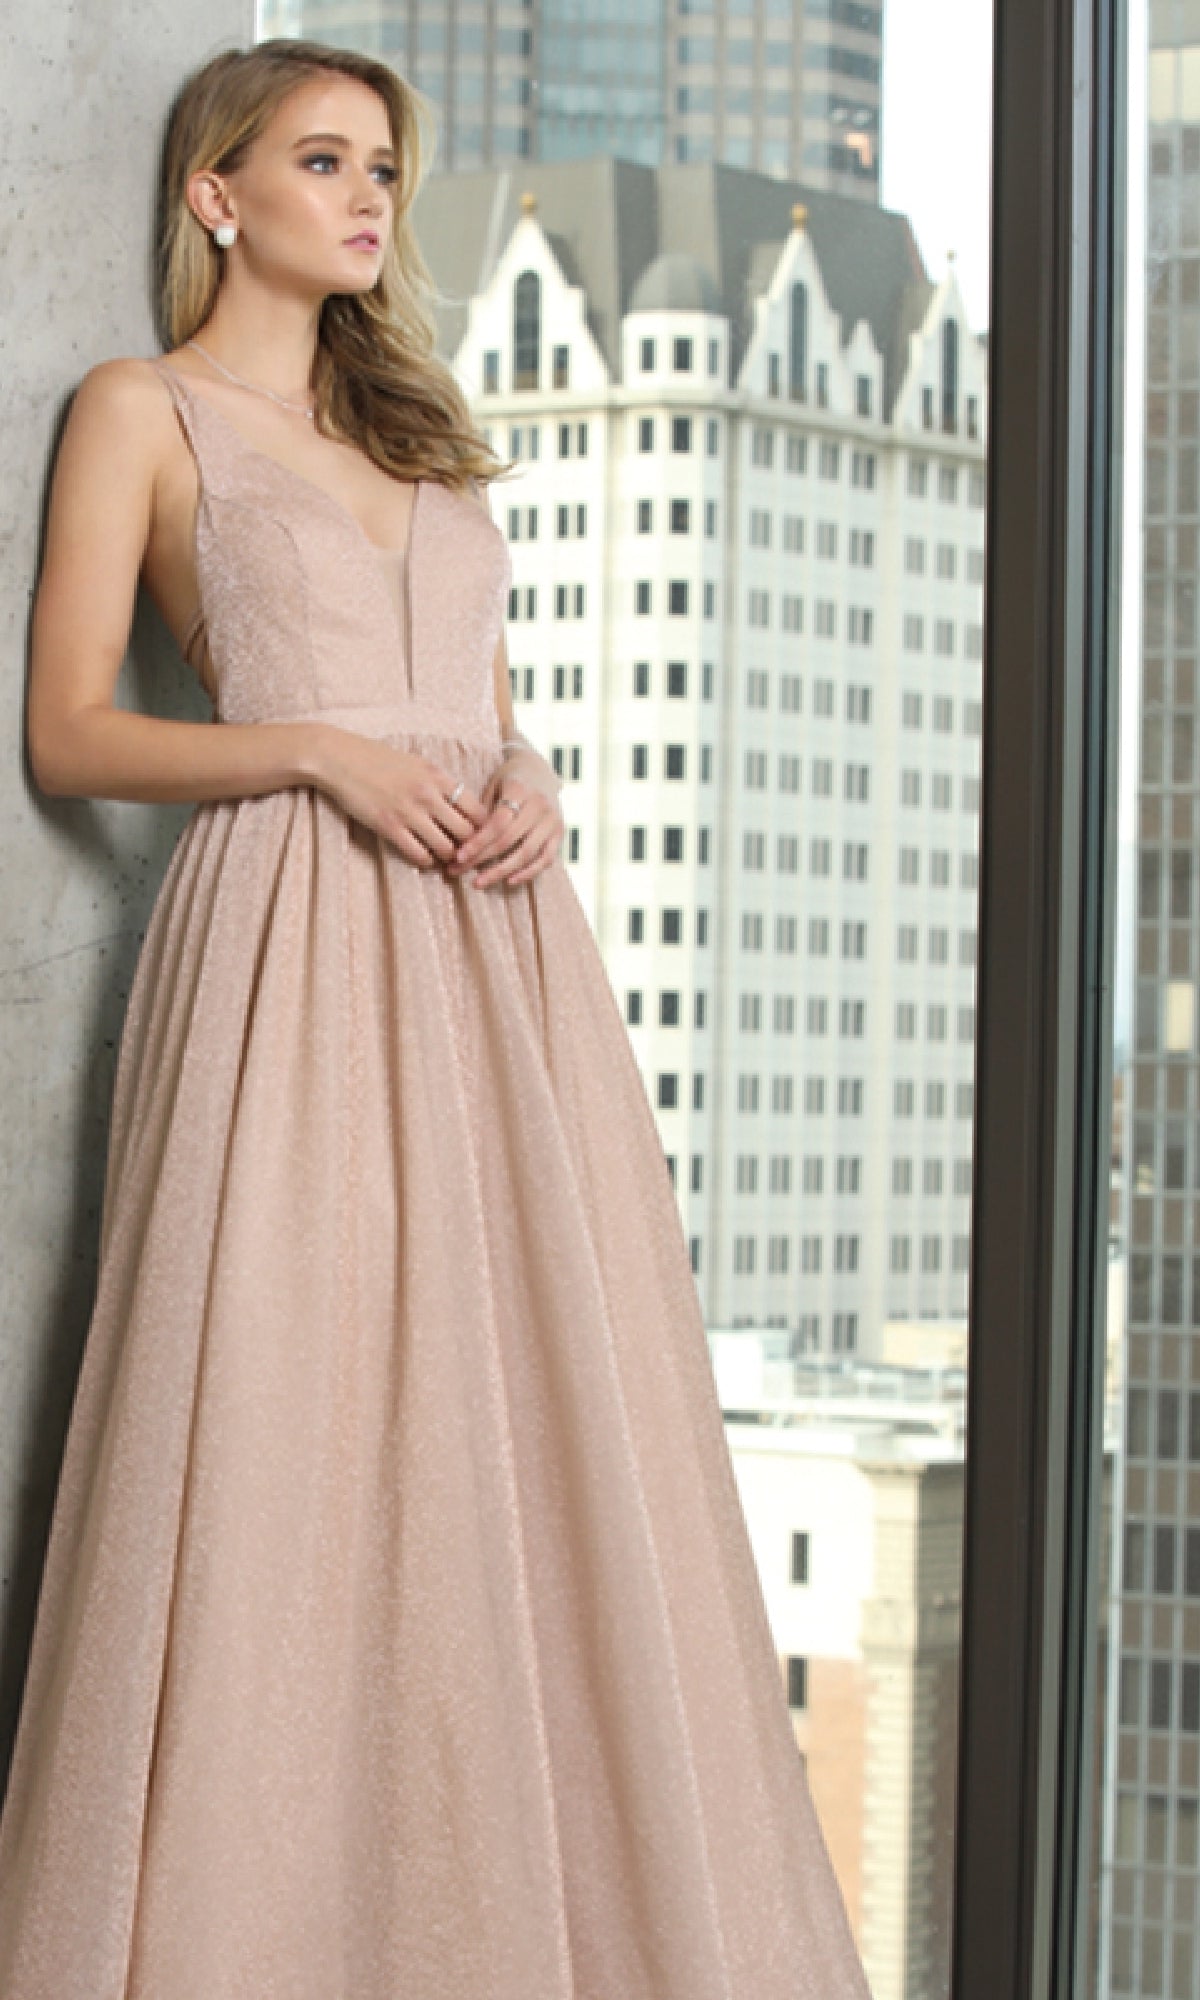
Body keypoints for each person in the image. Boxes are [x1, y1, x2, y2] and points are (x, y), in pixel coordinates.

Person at [0, 37, 874, 2000]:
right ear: (216, 192)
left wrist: (534, 773)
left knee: (536, 1388)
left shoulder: (414, 423)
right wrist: (311, 756)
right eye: (324, 160)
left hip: (496, 942)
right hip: (295, 923)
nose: (371, 194)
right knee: (294, 1391)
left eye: (384, 162)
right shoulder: (138, 412)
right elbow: (69, 731)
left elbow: (476, 690)